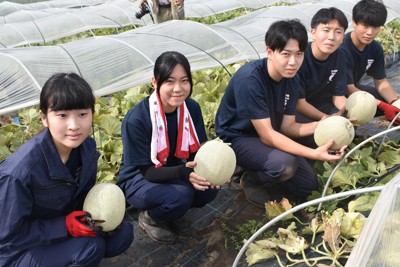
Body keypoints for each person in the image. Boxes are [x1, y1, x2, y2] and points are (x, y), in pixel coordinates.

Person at [0, 73, 134, 266]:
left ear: (92, 114)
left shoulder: (86, 148)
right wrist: (64, 226)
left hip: (59, 231)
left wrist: (100, 217)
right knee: (90, 247)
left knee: (121, 235)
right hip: (19, 251)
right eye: (62, 115)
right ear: (44, 118)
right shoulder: (18, 173)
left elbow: (81, 197)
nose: (74, 126)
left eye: (82, 114)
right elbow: (7, 236)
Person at [215, 19, 346, 208]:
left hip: (271, 131)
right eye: (286, 54)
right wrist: (314, 154)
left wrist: (327, 125)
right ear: (270, 52)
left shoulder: (291, 78)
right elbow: (268, 136)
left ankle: (266, 165)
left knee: (308, 186)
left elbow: (288, 126)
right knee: (284, 166)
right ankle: (249, 178)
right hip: (239, 138)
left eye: (299, 54)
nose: (293, 62)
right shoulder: (251, 79)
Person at [118, 51, 219, 244]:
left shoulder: (191, 108)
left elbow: (196, 153)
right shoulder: (137, 118)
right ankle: (150, 217)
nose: (178, 89)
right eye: (170, 81)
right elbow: (148, 172)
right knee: (181, 195)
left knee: (209, 188)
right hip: (139, 177)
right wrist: (183, 173)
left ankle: (172, 213)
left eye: (184, 81)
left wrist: (214, 171)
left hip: (175, 169)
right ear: (155, 82)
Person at [295, 7, 349, 147]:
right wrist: (326, 118)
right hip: (295, 108)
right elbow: (299, 103)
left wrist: (347, 112)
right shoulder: (299, 58)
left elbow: (338, 96)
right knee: (317, 137)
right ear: (313, 33)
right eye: (326, 30)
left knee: (346, 127)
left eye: (338, 32)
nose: (331, 37)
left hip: (320, 104)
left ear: (343, 37)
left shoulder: (340, 56)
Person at [341, 0, 400, 125]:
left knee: (385, 98)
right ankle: (349, 125)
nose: (370, 32)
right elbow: (348, 88)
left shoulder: (375, 48)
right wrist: (383, 106)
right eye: (365, 26)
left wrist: (394, 103)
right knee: (367, 105)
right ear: (354, 23)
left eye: (375, 27)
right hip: (335, 94)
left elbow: (381, 82)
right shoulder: (342, 48)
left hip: (353, 89)